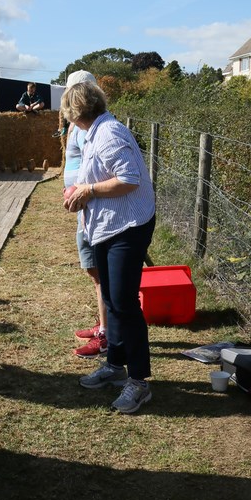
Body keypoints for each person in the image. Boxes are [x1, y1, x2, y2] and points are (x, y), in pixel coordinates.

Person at [62, 80, 156, 414]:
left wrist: (88, 191)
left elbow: (129, 178)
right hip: (106, 227)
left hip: (127, 227)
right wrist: (80, 192)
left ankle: (140, 382)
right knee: (111, 300)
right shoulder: (94, 132)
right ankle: (115, 366)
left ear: (75, 113)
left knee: (125, 304)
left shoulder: (109, 133)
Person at [62, 70, 108, 359]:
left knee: (98, 272)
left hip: (91, 206)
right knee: (95, 273)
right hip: (83, 206)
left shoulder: (93, 127)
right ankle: (104, 323)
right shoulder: (80, 126)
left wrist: (80, 191)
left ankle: (107, 332)